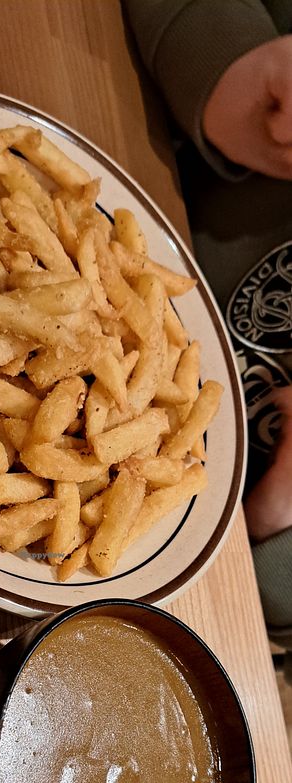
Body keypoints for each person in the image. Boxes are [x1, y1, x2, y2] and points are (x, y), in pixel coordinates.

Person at [123, 0, 292, 658]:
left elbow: (269, 612)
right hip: (114, 166)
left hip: (151, 572)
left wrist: (275, 514)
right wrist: (226, 64)